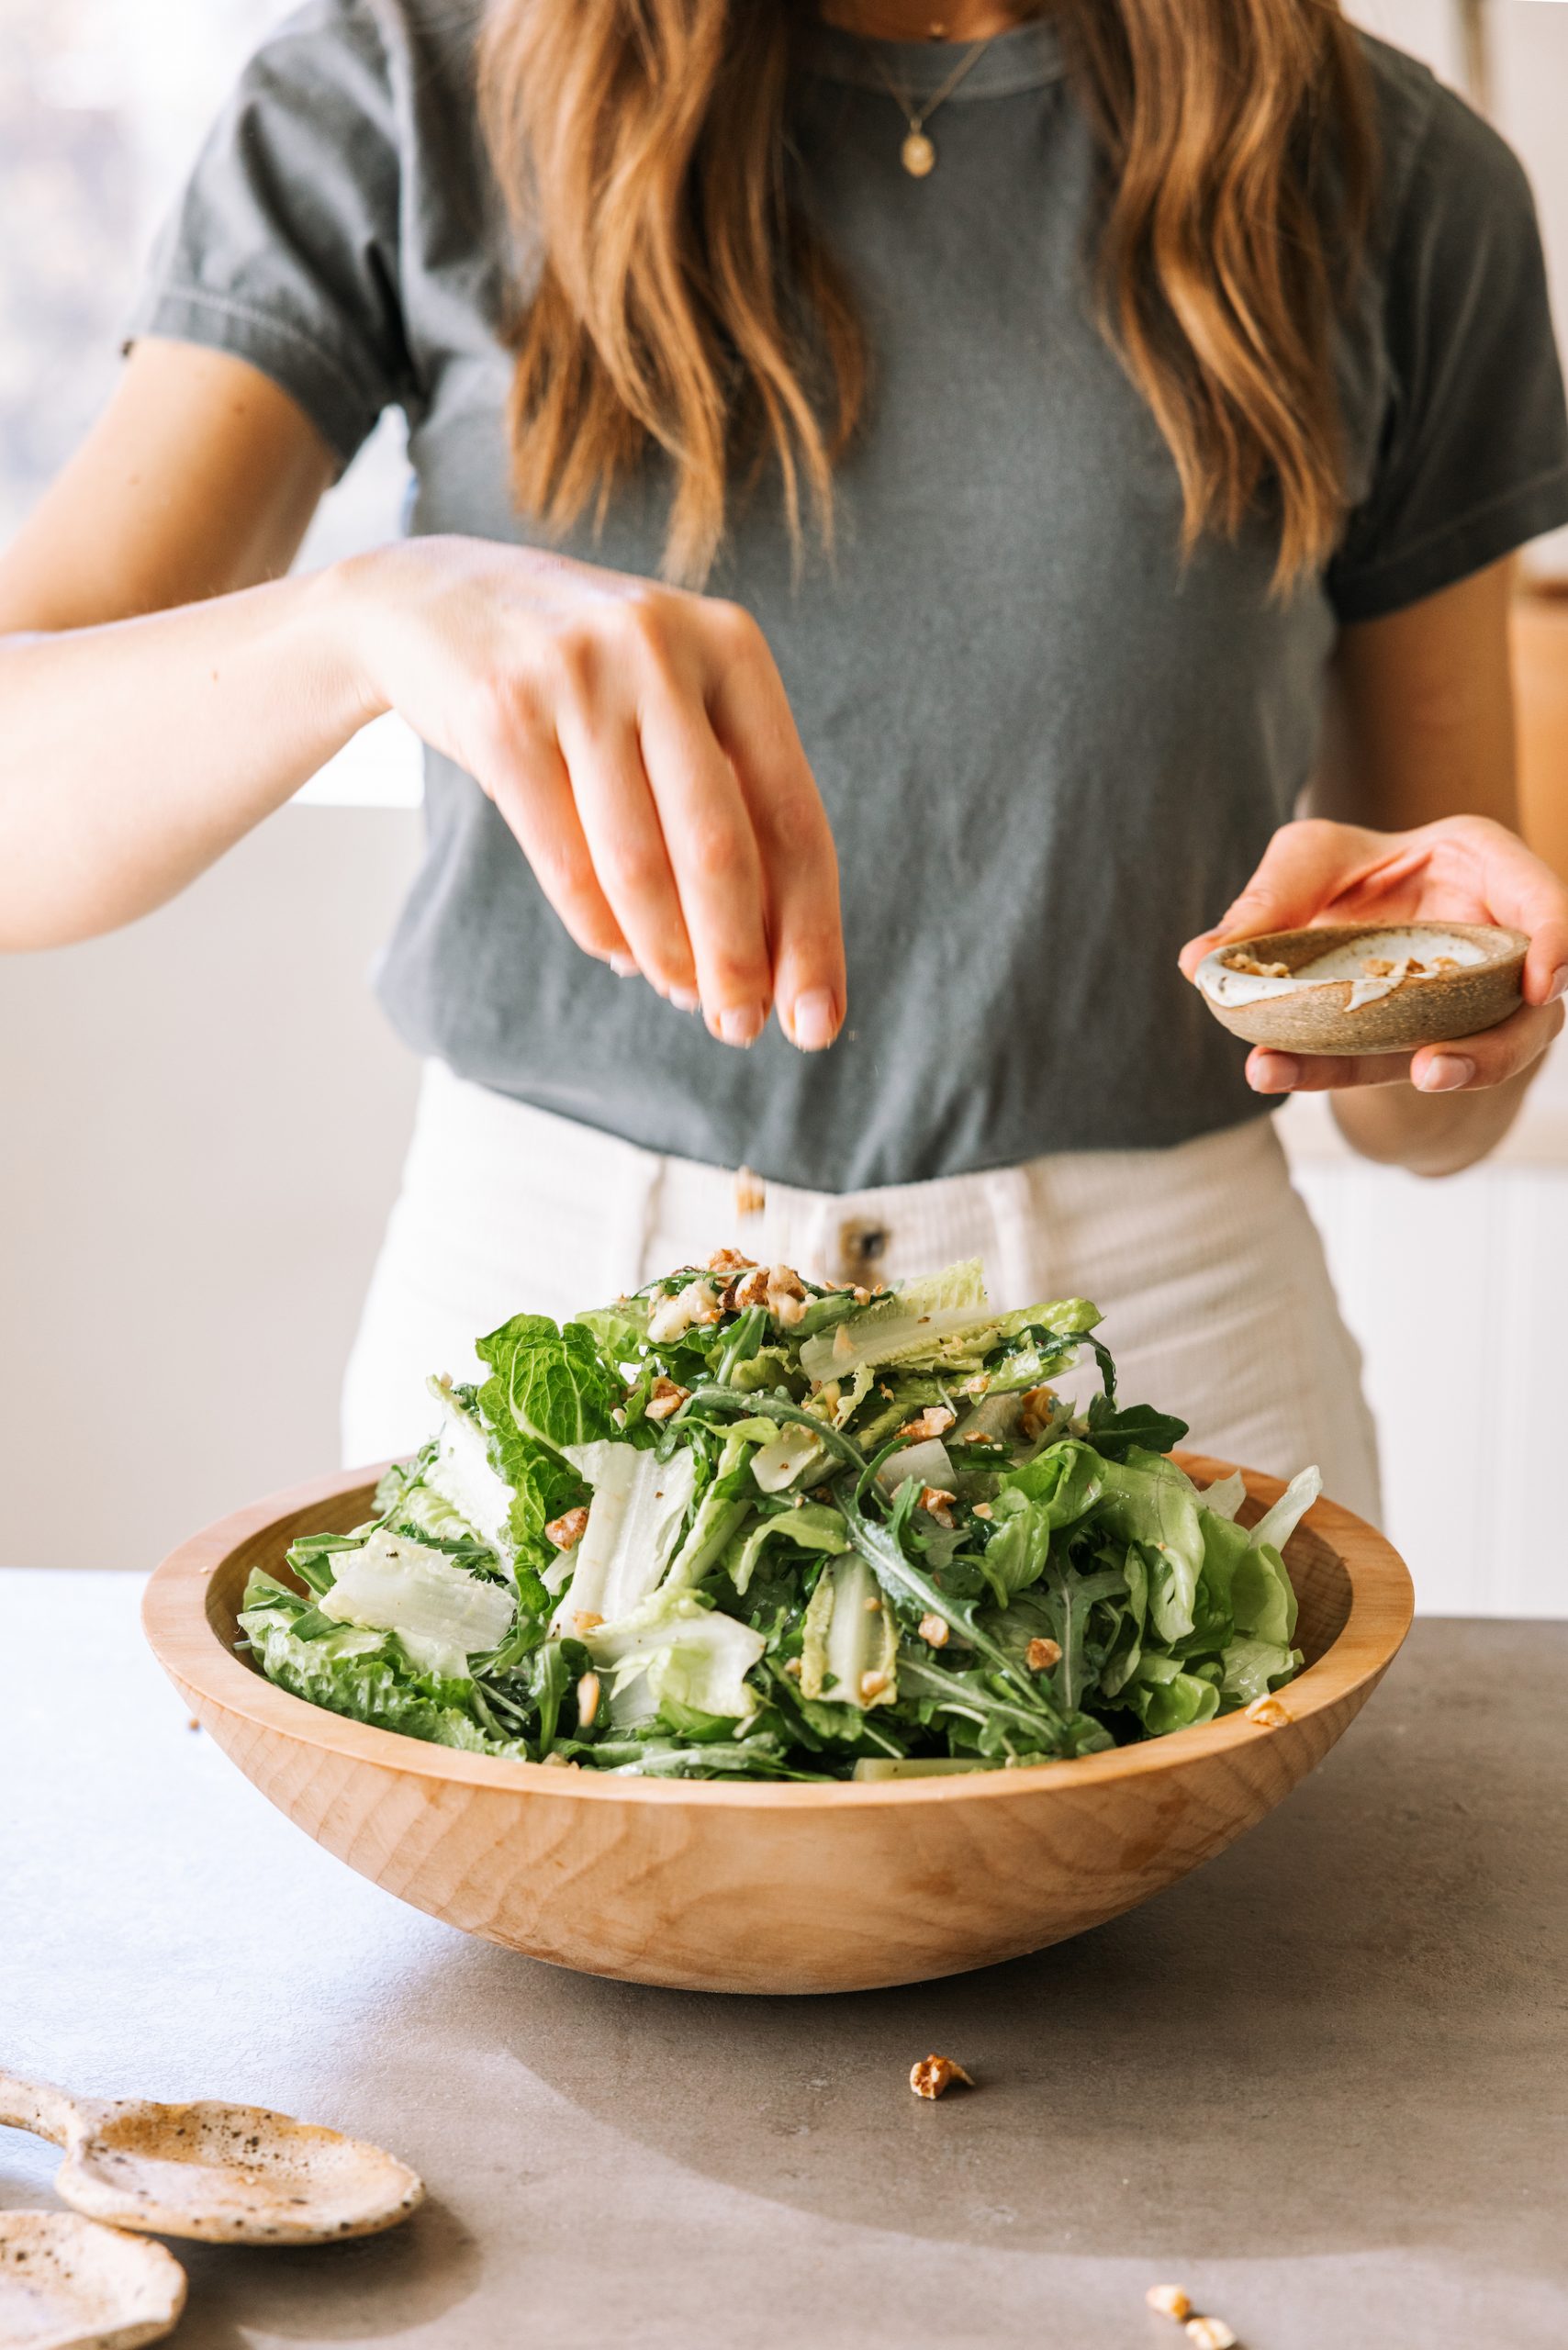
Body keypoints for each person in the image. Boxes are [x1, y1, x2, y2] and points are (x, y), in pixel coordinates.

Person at [2, 0, 1565, 1524]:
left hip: (1163, 1381)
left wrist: (1445, 1015)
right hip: (549, 1353)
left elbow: (1430, 1115)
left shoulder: (1405, 178)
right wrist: (361, 624)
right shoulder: (399, 91)